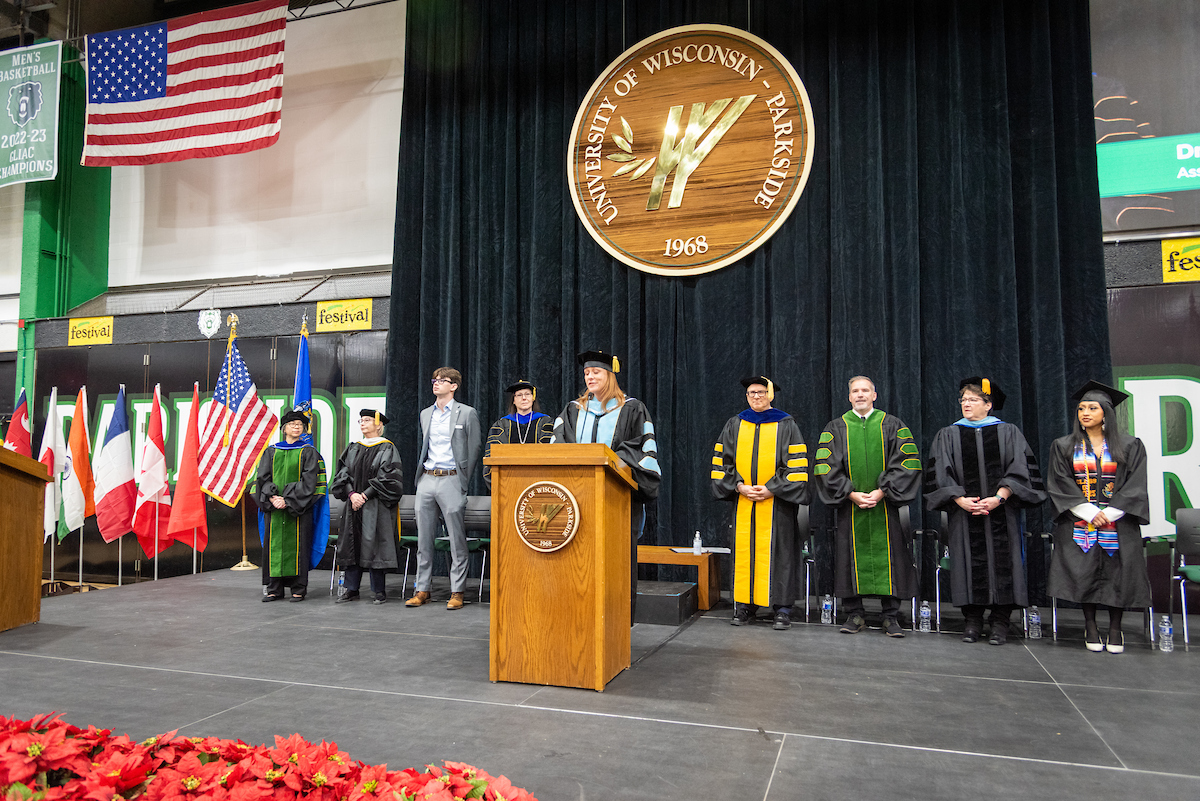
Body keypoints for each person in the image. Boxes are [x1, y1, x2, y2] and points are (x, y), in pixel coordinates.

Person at [925, 378, 1045, 645]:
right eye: (963, 400)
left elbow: (1021, 470)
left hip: (1002, 512)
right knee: (967, 564)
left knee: (1006, 564)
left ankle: (1001, 622)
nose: (966, 404)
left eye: (973, 400)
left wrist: (999, 498)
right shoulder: (948, 434)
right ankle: (972, 621)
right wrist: (959, 499)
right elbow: (940, 473)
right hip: (964, 513)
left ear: (988, 405)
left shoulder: (1009, 432)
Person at [552, 350, 661, 621]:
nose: (590, 377)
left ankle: (618, 622)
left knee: (616, 562)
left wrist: (611, 462)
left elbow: (641, 450)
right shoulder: (573, 410)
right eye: (587, 373)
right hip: (576, 499)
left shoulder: (632, 408)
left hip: (616, 500)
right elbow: (557, 447)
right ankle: (576, 618)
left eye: (596, 372)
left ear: (609, 376)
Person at [1047, 380, 1151, 654]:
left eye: (1092, 407)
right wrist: (1091, 512)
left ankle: (1115, 629)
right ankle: (1090, 626)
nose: (1085, 413)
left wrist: (1109, 513)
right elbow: (1060, 482)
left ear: (1107, 412)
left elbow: (1136, 485)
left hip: (1119, 522)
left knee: (1120, 574)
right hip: (1080, 521)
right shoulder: (1064, 445)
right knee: (1084, 573)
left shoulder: (1130, 446)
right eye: (1081, 408)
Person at [814, 375, 921, 637]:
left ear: (875, 395)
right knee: (848, 557)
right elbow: (824, 468)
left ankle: (891, 616)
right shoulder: (835, 427)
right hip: (850, 509)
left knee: (892, 557)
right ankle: (854, 614)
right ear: (849, 396)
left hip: (885, 508)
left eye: (865, 390)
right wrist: (851, 493)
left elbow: (908, 463)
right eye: (855, 391)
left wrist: (882, 491)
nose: (860, 395)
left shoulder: (892, 425)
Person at [710, 376, 810, 630]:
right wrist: (739, 486)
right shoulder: (735, 423)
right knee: (746, 552)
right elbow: (722, 462)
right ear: (747, 396)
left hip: (777, 505)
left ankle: (782, 609)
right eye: (752, 393)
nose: (756, 396)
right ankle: (745, 606)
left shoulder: (786, 424)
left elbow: (796, 467)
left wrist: (772, 488)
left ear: (771, 395)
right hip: (744, 502)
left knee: (781, 554)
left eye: (761, 392)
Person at [408, 367, 483, 611]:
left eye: (443, 381)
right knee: (424, 539)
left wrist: (463, 481)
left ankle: (457, 590)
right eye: (435, 380)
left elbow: (474, 449)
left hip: (452, 478)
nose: (436, 384)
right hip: (428, 478)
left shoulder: (467, 413)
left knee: (456, 539)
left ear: (454, 386)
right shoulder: (425, 413)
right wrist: (421, 480)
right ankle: (423, 589)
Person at [331, 409, 404, 604]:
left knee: (375, 545)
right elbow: (342, 474)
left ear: (378, 425)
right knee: (351, 543)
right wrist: (352, 494)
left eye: (368, 420)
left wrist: (364, 495)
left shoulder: (387, 448)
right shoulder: (354, 447)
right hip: (353, 504)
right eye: (361, 420)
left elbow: (387, 477)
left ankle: (378, 590)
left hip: (376, 505)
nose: (363, 423)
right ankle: (351, 588)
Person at [255, 408, 328, 602]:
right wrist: (272, 498)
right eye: (292, 424)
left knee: (299, 548)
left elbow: (311, 482)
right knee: (273, 548)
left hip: (298, 509)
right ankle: (274, 589)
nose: (296, 427)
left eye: (300, 425)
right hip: (274, 510)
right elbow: (262, 479)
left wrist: (287, 500)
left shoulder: (310, 452)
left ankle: (298, 588)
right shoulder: (271, 451)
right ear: (284, 428)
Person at [483, 380, 553, 491]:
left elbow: (550, 453)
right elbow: (492, 455)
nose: (524, 398)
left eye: (527, 394)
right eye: (519, 395)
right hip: (509, 484)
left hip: (539, 483)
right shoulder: (501, 425)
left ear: (533, 397)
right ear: (514, 401)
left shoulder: (546, 423)